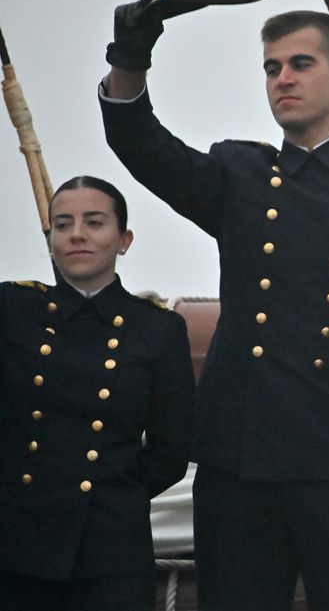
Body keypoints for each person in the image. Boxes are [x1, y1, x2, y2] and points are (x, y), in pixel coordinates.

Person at [98, 2, 329, 611]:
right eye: (271, 67)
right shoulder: (242, 175)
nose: (282, 79)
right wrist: (130, 57)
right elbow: (141, 144)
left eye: (300, 64)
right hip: (240, 464)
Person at [0, 175, 194, 611]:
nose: (77, 235)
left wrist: (113, 495)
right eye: (62, 224)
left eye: (94, 222)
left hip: (109, 549)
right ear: (49, 241)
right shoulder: (12, 310)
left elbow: (170, 450)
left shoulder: (158, 329)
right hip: (17, 544)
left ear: (124, 240)